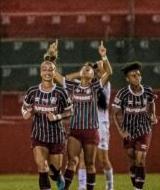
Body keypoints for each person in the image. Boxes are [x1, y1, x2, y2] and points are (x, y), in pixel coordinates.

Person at [46, 40, 113, 190]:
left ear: (92, 75)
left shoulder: (96, 87)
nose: (86, 69)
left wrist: (104, 56)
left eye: (89, 69)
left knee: (90, 164)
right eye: (84, 68)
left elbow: (109, 73)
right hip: (75, 131)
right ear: (81, 72)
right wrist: (51, 55)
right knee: (72, 162)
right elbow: (53, 74)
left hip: (91, 131)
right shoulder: (72, 85)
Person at [21, 59, 73, 190]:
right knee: (42, 166)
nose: (47, 72)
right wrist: (25, 113)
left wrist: (57, 116)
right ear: (40, 72)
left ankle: (58, 175)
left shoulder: (61, 92)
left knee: (53, 172)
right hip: (38, 135)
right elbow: (25, 107)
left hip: (56, 136)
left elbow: (70, 111)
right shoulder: (32, 91)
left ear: (55, 72)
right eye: (44, 69)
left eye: (51, 70)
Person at [112, 62, 157, 190]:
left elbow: (152, 102)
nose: (137, 77)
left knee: (140, 159)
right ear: (127, 79)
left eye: (138, 75)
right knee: (132, 160)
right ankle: (135, 181)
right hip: (128, 131)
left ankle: (138, 188)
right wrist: (121, 131)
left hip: (144, 128)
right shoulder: (123, 93)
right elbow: (114, 113)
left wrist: (154, 114)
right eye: (133, 76)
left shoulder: (148, 90)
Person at [77, 61, 114, 190]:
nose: (97, 74)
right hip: (86, 126)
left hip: (102, 127)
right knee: (83, 158)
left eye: (99, 72)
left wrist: (102, 63)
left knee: (103, 159)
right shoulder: (84, 87)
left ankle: (110, 186)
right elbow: (68, 79)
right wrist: (83, 73)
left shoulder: (105, 87)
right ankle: (81, 187)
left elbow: (108, 74)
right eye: (95, 72)